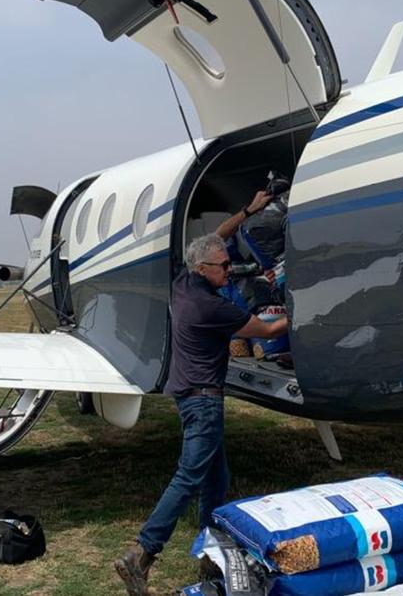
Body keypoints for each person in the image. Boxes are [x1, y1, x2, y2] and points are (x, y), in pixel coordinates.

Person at [114, 234, 288, 596]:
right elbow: (269, 329)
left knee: (215, 481)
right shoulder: (213, 308)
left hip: (188, 398)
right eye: (223, 266)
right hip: (205, 403)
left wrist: (244, 212)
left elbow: (216, 237)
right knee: (189, 478)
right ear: (203, 268)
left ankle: (212, 556)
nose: (230, 269)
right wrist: (302, 308)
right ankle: (142, 553)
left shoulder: (182, 285)